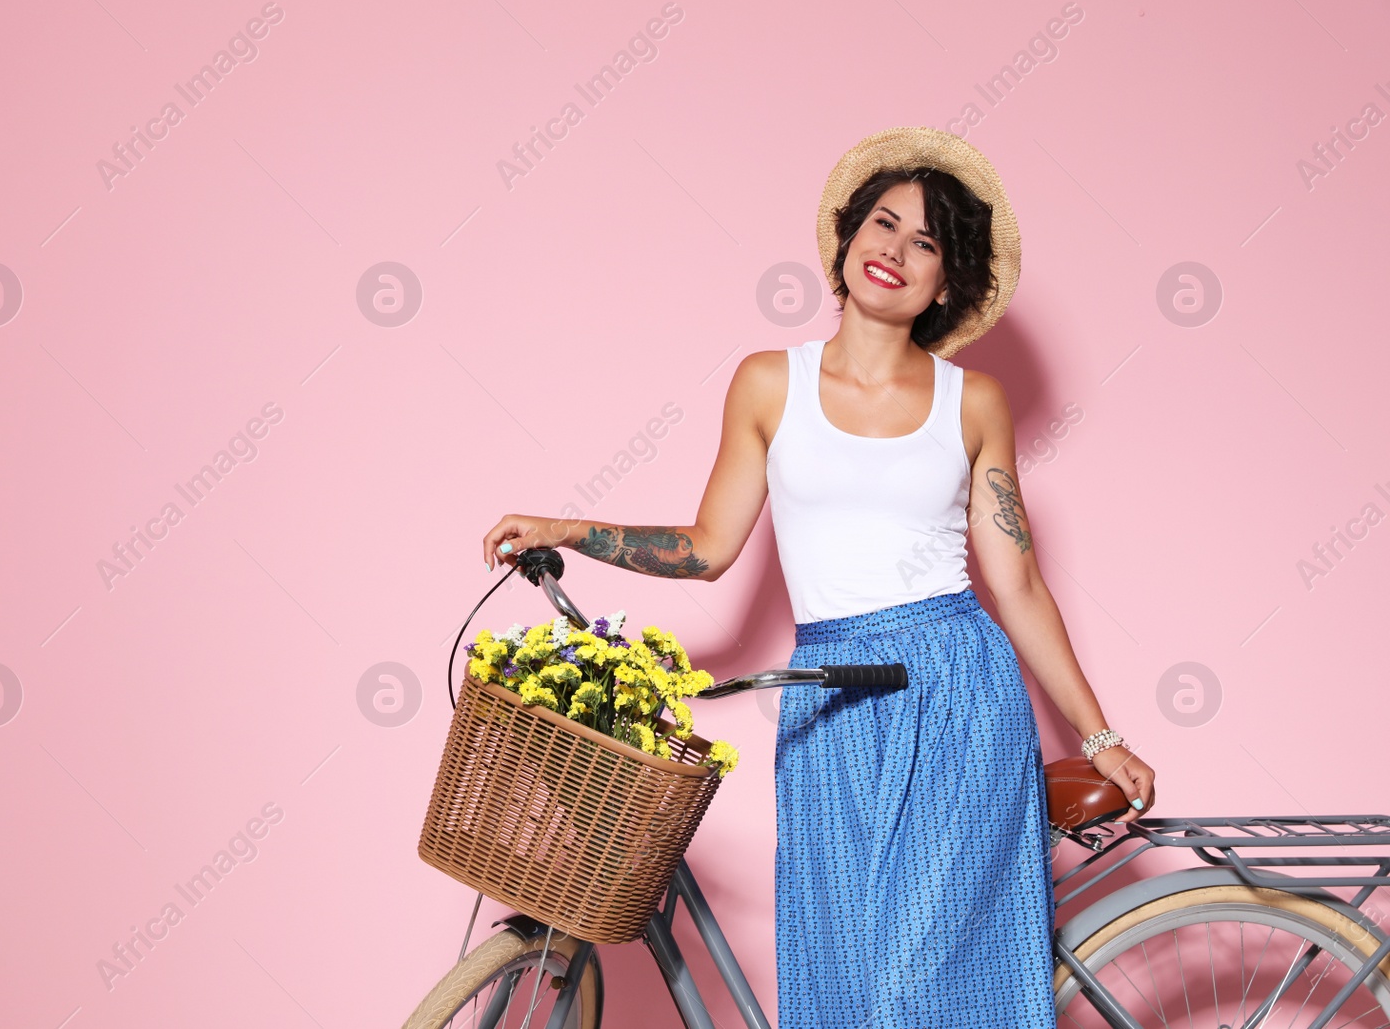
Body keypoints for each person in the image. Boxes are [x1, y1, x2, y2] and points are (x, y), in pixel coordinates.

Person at [480, 126, 1157, 1026]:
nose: (896, 252)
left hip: (953, 686)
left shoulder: (974, 401)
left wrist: (1098, 730)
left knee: (927, 981)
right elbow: (707, 546)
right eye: (883, 224)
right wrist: (569, 528)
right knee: (840, 977)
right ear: (846, 240)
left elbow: (1019, 584)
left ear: (946, 283)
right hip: (827, 700)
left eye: (927, 244)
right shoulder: (768, 382)